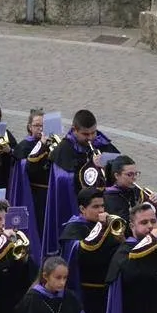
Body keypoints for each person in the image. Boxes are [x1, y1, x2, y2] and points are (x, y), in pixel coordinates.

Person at [42, 109, 119, 256]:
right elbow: (65, 180)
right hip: (76, 209)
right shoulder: (63, 150)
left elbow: (119, 166)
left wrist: (109, 165)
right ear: (74, 130)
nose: (90, 138)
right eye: (85, 134)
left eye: (93, 133)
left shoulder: (101, 143)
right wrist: (91, 166)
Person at [59, 187, 123, 313]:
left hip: (107, 291)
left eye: (102, 206)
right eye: (95, 206)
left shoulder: (108, 226)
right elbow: (81, 253)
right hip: (86, 293)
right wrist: (101, 228)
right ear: (82, 208)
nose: (101, 210)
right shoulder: (74, 229)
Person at [9, 108, 48, 253]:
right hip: (34, 193)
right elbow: (28, 168)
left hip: (50, 192)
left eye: (43, 125)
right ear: (29, 127)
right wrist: (41, 146)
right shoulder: (24, 146)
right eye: (37, 125)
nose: (40, 129)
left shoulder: (52, 142)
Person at [103, 155, 141, 229]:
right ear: (117, 175)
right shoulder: (109, 197)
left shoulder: (135, 190)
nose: (134, 178)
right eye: (129, 174)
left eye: (136, 173)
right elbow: (123, 223)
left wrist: (152, 203)